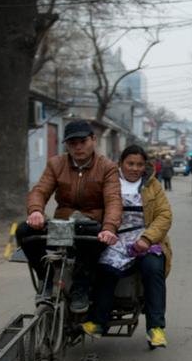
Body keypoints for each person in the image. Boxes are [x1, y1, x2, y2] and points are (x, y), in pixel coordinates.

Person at [18, 120, 122, 314]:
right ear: (66, 145)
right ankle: (45, 278)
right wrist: (36, 211)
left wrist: (109, 227)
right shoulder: (56, 164)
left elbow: (113, 200)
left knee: (94, 238)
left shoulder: (107, 167)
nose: (78, 147)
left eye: (83, 141)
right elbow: (40, 191)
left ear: (93, 140)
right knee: (24, 231)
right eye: (73, 143)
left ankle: (80, 287)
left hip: (91, 225)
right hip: (62, 224)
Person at [81, 145, 172, 349]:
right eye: (130, 163)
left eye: (139, 164)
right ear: (121, 163)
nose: (135, 168)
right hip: (115, 238)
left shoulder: (153, 185)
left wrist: (147, 239)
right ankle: (97, 322)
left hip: (146, 239)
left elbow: (164, 215)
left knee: (153, 269)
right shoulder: (110, 182)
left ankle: (156, 328)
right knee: (106, 270)